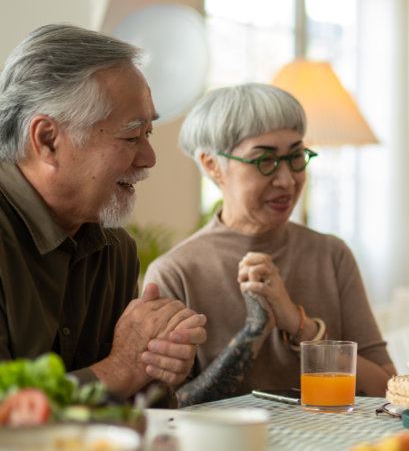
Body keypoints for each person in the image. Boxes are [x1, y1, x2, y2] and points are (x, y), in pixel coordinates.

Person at [0, 24, 208, 403]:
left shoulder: (114, 247)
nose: (148, 158)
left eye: (148, 134)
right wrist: (121, 369)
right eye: (131, 136)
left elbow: (133, 411)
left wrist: (157, 368)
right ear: (48, 140)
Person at [144, 83, 395, 406]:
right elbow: (167, 409)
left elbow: (387, 389)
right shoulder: (175, 273)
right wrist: (254, 330)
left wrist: (298, 325)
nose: (288, 179)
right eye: (265, 160)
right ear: (212, 164)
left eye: (296, 156)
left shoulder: (331, 256)